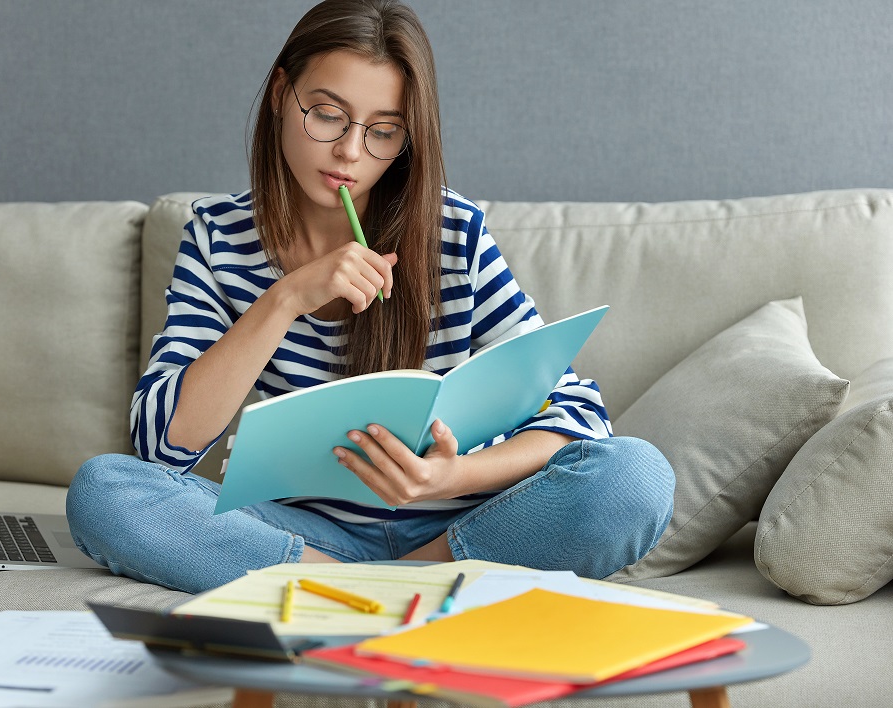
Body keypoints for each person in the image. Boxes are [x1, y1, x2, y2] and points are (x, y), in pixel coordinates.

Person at [66, 0, 675, 594]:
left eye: (383, 132)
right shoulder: (218, 236)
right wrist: (283, 300)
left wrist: (449, 476)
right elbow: (159, 445)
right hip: (300, 534)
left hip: (460, 525)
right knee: (106, 492)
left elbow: (576, 415)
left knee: (635, 477)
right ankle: (386, 591)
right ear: (281, 94)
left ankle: (375, 589)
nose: (350, 153)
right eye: (327, 115)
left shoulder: (451, 231)